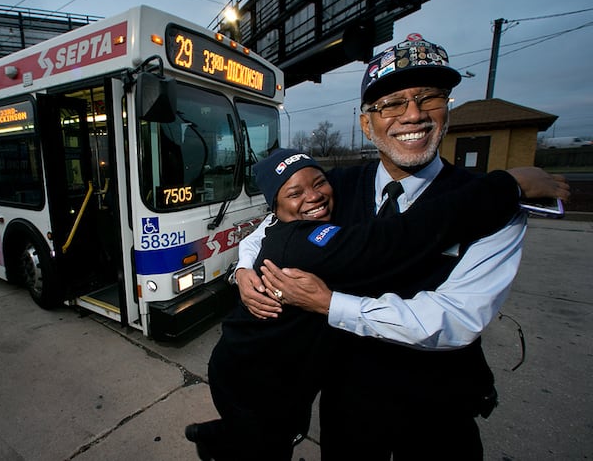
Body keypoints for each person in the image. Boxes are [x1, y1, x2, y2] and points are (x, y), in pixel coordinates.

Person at [235, 34, 571, 459]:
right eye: (391, 103)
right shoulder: (334, 187)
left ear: (447, 110)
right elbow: (268, 227)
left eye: (428, 97)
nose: (412, 114)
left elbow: (457, 317)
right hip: (347, 401)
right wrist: (243, 271)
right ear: (366, 123)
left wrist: (330, 304)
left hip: (438, 408)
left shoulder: (495, 203)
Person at [186, 148, 566, 461]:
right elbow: (393, 240)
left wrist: (242, 270)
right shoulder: (304, 242)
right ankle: (219, 441)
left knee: (279, 428)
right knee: (266, 445)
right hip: (250, 377)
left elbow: (265, 227)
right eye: (294, 193)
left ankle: (219, 434)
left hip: (286, 372)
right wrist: (506, 186)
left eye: (319, 182)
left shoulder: (294, 225)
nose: (313, 196)